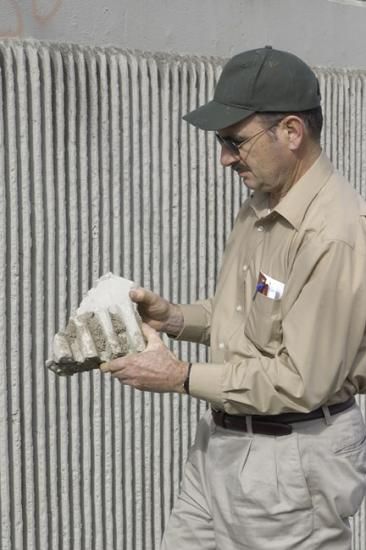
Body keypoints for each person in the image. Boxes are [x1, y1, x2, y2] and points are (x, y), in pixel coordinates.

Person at [101, 46, 366, 549]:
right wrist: (174, 317)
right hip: (223, 446)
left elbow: (299, 382)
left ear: (291, 132)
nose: (224, 158)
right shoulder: (262, 205)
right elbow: (249, 315)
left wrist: (179, 377)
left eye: (234, 141)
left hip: (290, 462)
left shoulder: (333, 235)